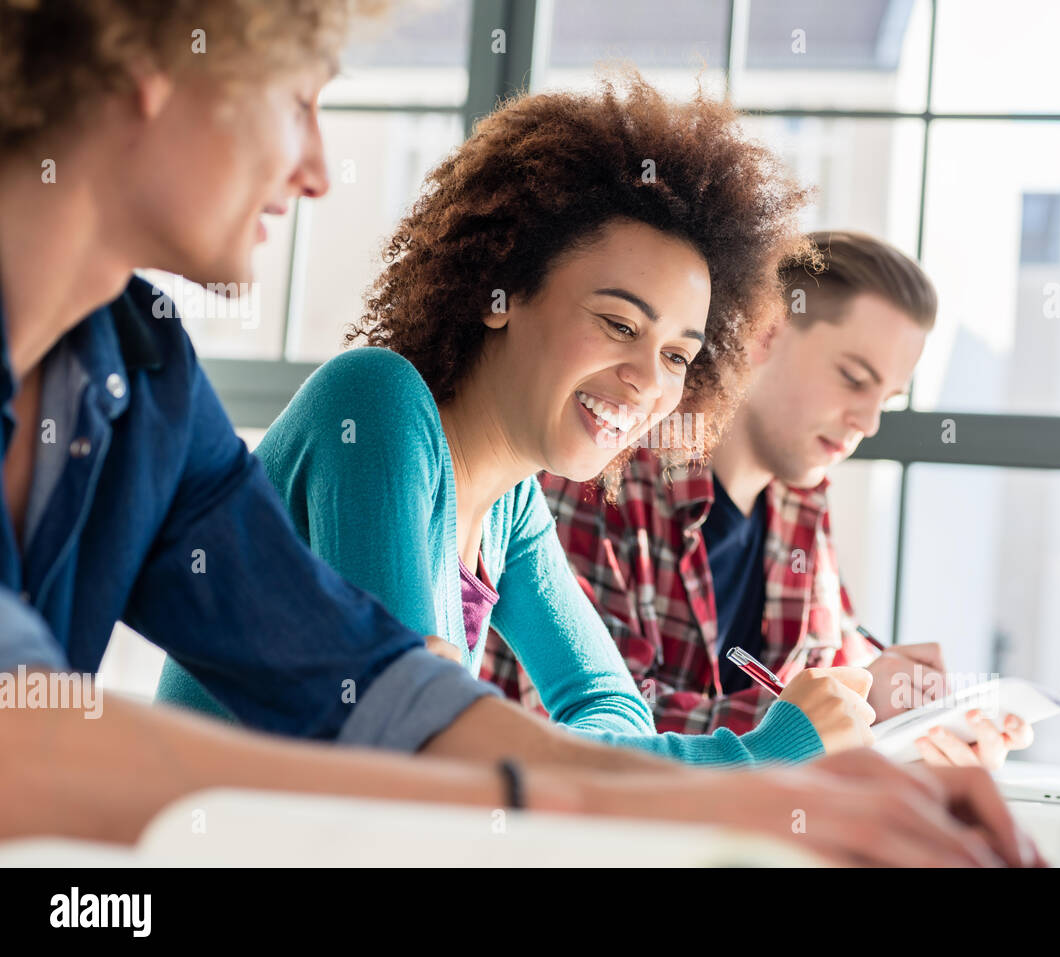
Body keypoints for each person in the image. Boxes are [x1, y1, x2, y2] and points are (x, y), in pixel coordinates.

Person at [0, 0, 1039, 865]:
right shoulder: (379, 408)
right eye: (297, 100)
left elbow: (378, 693)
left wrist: (748, 796)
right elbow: (25, 744)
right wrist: (702, 787)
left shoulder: (144, 379)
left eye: (678, 352)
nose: (318, 168)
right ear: (145, 60)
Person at [158, 70, 883, 767]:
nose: (645, 381)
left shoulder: (511, 503)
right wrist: (761, 754)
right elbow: (417, 754)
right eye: (618, 323)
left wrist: (477, 722)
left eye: (676, 355)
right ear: (498, 292)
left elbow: (612, 706)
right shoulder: (375, 405)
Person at [483, 231, 1034, 769]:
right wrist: (829, 718)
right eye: (852, 378)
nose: (868, 423)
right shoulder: (600, 467)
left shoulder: (804, 500)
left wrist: (917, 717)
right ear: (765, 335)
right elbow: (600, 736)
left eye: (886, 398)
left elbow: (833, 673)